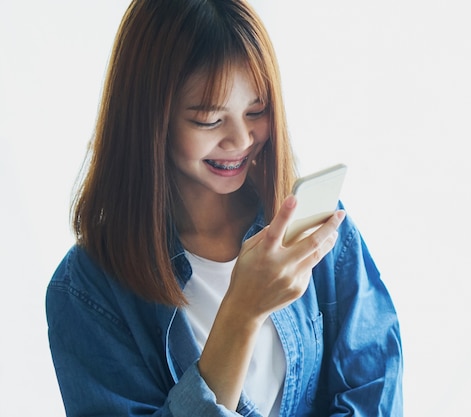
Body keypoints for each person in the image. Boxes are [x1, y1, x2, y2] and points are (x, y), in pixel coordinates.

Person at [45, 0, 403, 415]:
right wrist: (242, 311)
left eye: (257, 111)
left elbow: (375, 384)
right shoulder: (87, 291)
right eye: (209, 120)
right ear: (148, 120)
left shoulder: (313, 227)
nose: (240, 140)